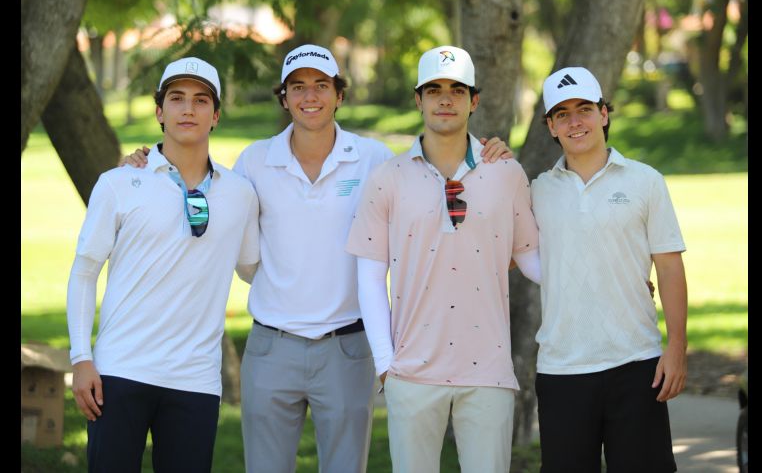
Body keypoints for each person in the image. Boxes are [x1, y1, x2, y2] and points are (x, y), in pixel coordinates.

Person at [123, 44, 514, 473]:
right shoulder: (255, 161)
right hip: (271, 348)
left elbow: (427, 216)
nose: (310, 96)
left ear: (339, 95)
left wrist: (489, 154)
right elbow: (240, 251)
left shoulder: (375, 160)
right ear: (284, 97)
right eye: (298, 87)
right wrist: (147, 160)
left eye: (321, 86)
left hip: (347, 349)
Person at [345, 45, 542, 473]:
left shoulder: (507, 173)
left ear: (474, 100)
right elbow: (370, 276)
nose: (445, 98)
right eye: (433, 89)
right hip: (411, 371)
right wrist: (386, 365)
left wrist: (611, 278)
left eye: (457, 89)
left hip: (488, 369)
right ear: (418, 100)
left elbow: (533, 262)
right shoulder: (387, 178)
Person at [67, 57, 260, 472]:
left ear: (216, 115)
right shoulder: (119, 182)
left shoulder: (241, 194)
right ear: (159, 111)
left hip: (195, 380)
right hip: (119, 372)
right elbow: (84, 271)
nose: (188, 109)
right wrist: (81, 358)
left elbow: (252, 268)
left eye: (200, 100)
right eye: (176, 98)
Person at [531, 66, 688, 473]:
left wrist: (676, 350)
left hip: (637, 365)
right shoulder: (535, 190)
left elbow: (669, 269)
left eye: (584, 108)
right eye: (562, 114)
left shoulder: (645, 181)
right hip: (562, 370)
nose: (575, 121)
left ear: (604, 113)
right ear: (550, 126)